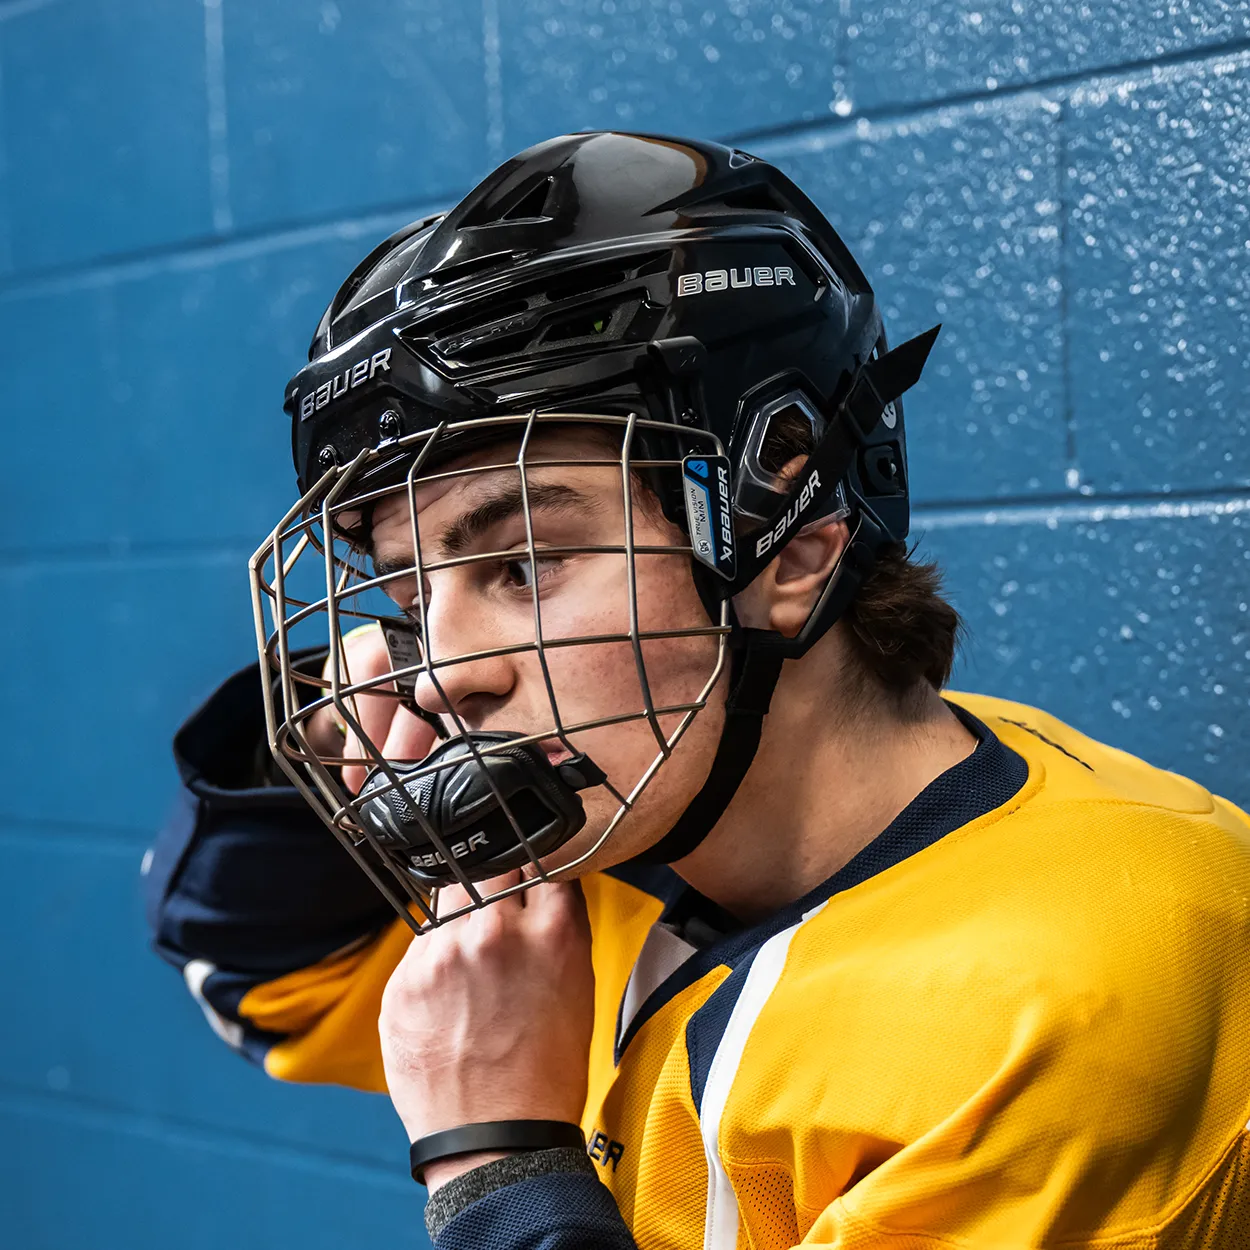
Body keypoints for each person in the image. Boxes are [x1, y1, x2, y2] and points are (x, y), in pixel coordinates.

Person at [147, 132, 1250, 1249]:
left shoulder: (1073, 998)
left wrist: (495, 1165)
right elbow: (259, 971)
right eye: (408, 591)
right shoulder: (614, 840)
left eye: (522, 565)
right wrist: (340, 734)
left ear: (793, 543)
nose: (444, 667)